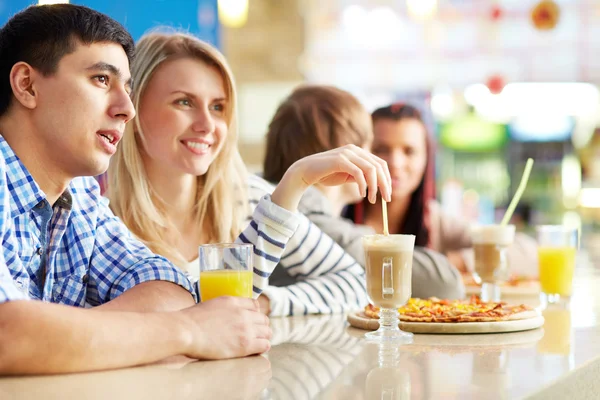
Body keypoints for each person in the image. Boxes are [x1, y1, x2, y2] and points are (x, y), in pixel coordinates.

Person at [0, 4, 282, 375]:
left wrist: (60, 339)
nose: (126, 109)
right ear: (27, 85)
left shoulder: (80, 196)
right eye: (101, 79)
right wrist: (190, 330)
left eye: (128, 88)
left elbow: (170, 288)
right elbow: (8, 338)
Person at [106, 32, 392, 316]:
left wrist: (261, 304)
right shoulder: (99, 217)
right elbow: (193, 308)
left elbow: (355, 284)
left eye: (218, 107)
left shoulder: (249, 198)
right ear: (133, 107)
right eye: (184, 102)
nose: (207, 125)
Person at [263, 85, 465, 299]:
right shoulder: (305, 218)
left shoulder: (273, 202)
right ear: (340, 153)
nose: (386, 162)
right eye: (373, 148)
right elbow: (444, 283)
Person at [345, 103, 537, 276]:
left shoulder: (435, 222)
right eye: (381, 149)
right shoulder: (337, 214)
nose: (395, 163)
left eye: (409, 151)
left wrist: (447, 264)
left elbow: (529, 253)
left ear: (426, 159)